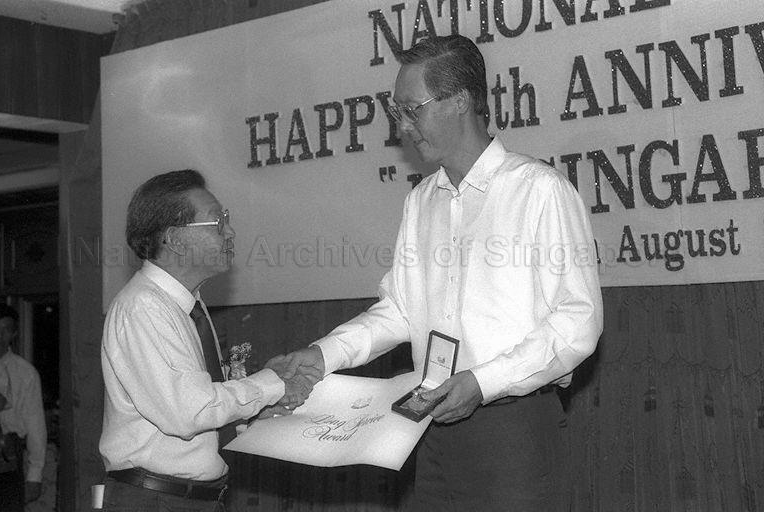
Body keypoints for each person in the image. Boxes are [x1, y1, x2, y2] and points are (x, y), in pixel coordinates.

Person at [273, 35, 603, 510]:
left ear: (461, 101)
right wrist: (324, 355)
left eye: (413, 109)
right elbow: (400, 312)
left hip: (513, 431)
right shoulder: (421, 200)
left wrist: (483, 382)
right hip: (428, 425)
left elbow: (578, 323)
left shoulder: (539, 191)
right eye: (397, 112)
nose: (402, 126)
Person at [98, 170, 311, 511]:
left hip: (188, 499)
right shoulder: (143, 307)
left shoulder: (188, 306)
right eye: (217, 222)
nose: (230, 232)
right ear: (174, 238)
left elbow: (198, 413)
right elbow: (189, 412)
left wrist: (257, 414)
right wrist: (272, 384)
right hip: (156, 501)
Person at [0, 303, 47, 511]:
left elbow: (36, 427)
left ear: (14, 334)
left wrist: (35, 475)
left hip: (8, 459)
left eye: (4, 329)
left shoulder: (25, 373)